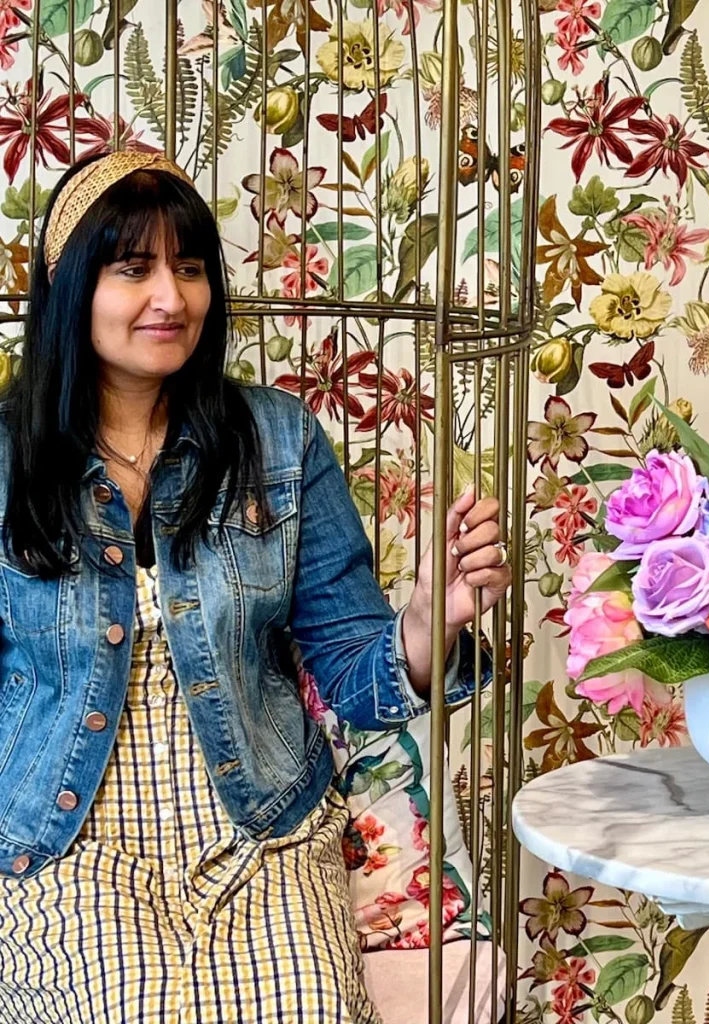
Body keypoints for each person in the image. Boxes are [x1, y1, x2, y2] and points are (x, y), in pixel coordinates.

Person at [0, 150, 510, 1023]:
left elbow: (353, 670)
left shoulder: (279, 440)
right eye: (134, 270)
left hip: (263, 827)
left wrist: (430, 619)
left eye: (189, 268)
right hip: (68, 843)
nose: (172, 298)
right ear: (70, 284)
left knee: (310, 1004)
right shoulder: (10, 461)